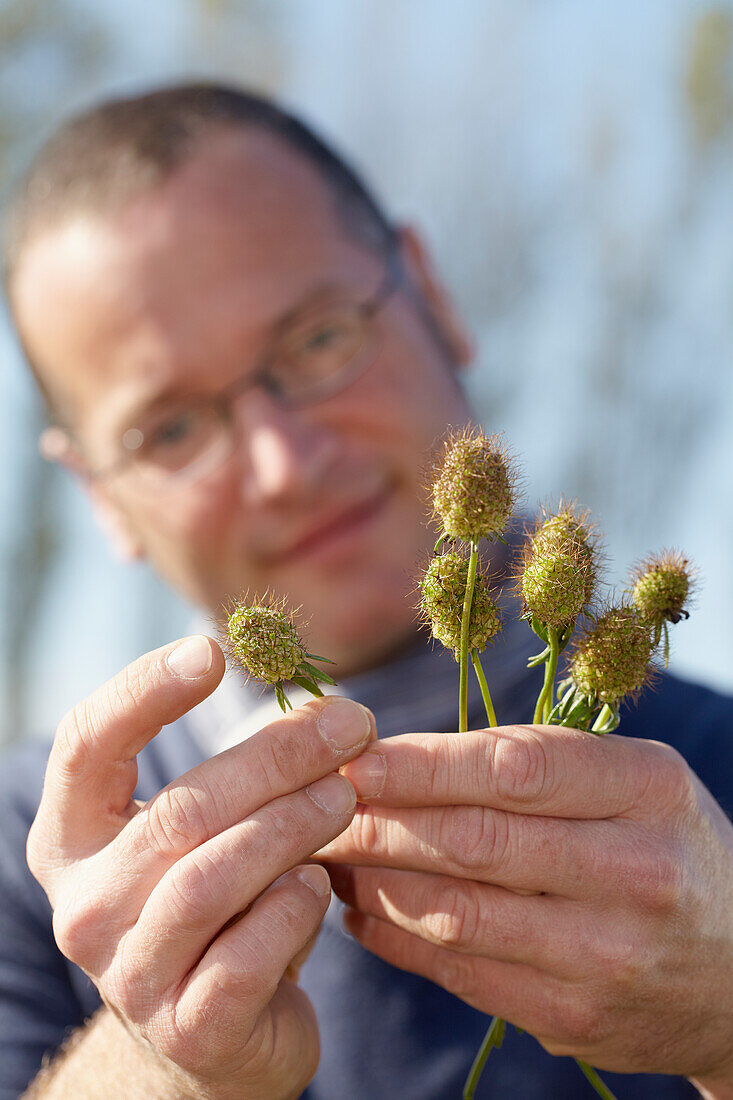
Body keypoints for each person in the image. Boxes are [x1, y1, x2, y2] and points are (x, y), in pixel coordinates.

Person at [0, 83, 731, 1100]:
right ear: (96, 495)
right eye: (169, 429)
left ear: (431, 297)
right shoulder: (32, 856)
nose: (282, 462)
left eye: (316, 340)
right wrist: (159, 1061)